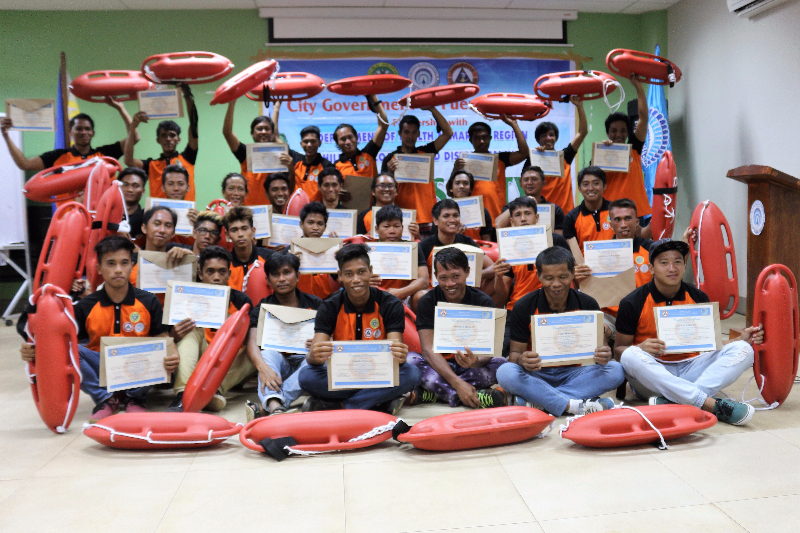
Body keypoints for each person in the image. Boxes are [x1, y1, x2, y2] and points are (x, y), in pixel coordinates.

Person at [18, 236, 179, 422]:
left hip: (137, 367)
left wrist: (172, 356)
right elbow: (57, 341)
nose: (118, 269)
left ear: (132, 266)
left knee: (160, 350)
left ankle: (134, 399)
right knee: (66, 349)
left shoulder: (148, 300)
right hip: (102, 368)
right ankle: (105, 399)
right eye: (111, 263)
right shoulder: (85, 306)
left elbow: (163, 337)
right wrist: (34, 350)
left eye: (124, 263)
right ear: (99, 269)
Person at [615, 239, 763, 426]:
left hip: (691, 368)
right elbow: (618, 350)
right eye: (664, 262)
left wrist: (741, 339)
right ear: (651, 268)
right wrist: (641, 348)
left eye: (678, 261)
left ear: (685, 266)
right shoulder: (632, 302)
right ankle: (706, 402)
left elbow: (711, 345)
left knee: (744, 350)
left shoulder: (698, 298)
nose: (672, 268)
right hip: (652, 377)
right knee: (630, 354)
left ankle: (678, 400)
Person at [496, 246, 624, 416]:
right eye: (548, 278)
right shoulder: (524, 305)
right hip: (538, 372)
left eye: (563, 277)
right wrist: (522, 359)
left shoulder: (588, 304)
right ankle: (574, 406)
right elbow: (514, 355)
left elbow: (602, 350)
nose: (556, 284)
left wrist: (604, 354)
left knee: (615, 370)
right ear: (538, 276)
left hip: (576, 374)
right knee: (505, 372)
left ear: (572, 274)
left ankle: (541, 401)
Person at [298, 244, 421, 413]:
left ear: (370, 271)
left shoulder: (390, 304)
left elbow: (394, 359)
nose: (356, 279)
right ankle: (377, 400)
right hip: (344, 372)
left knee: (412, 374)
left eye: (361, 272)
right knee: (306, 376)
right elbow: (315, 359)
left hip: (378, 371)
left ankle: (343, 406)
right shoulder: (329, 306)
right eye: (349, 274)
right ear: (340, 276)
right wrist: (313, 355)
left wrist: (399, 356)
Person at [409, 247, 506, 408]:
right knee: (410, 361)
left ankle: (435, 393)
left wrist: (475, 361)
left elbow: (488, 353)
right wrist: (458, 384)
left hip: (469, 368)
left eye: (456, 276)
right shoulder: (427, 301)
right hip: (439, 366)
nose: (450, 284)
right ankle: (461, 395)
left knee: (502, 364)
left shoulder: (484, 302)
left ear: (467, 272)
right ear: (435, 277)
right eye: (443, 278)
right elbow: (427, 350)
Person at [167, 246, 255, 412]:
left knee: (256, 343)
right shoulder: (185, 297)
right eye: (210, 271)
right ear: (200, 274)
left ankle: (213, 391)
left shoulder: (242, 301)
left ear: (229, 274)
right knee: (190, 328)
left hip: (224, 365)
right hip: (195, 361)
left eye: (222, 272)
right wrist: (173, 335)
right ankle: (183, 395)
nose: (216, 277)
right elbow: (169, 339)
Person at [245, 251, 323, 420]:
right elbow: (251, 343)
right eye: (275, 274)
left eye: (287, 272)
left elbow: (329, 339)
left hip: (307, 365)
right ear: (267, 280)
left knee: (316, 358)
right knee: (266, 354)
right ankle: (275, 405)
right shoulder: (263, 308)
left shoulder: (316, 304)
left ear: (297, 276)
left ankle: (274, 405)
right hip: (279, 369)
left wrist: (318, 344)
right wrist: (263, 369)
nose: (281, 279)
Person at [1, 103, 136, 172]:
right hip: (68, 220)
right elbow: (25, 164)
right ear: (70, 133)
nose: (83, 132)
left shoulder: (106, 154)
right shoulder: (57, 156)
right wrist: (6, 135)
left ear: (93, 133)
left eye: (87, 129)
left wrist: (120, 108)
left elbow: (134, 137)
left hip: (100, 220)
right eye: (78, 128)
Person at [492, 196, 570, 312]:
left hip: (552, 308)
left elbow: (571, 276)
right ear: (512, 221)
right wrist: (498, 277)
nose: (523, 219)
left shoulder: (555, 240)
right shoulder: (508, 246)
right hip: (517, 308)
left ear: (537, 217)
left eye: (528, 213)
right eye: (518, 215)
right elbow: (502, 296)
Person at [381, 111, 453, 234]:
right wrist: (389, 173)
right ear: (400, 134)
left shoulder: (426, 153)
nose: (410, 136)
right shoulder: (390, 159)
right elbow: (383, 193)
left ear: (419, 134)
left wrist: (432, 108)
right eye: (406, 132)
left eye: (414, 132)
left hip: (428, 217)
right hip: (402, 219)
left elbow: (448, 133)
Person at [124, 84, 198, 200]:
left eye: (172, 135)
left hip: (185, 214)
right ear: (158, 140)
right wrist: (133, 127)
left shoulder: (188, 158)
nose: (168, 139)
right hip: (159, 215)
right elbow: (128, 160)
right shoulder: (152, 165)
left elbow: (194, 124)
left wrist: (187, 96)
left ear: (178, 140)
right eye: (164, 135)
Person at [453, 116, 529, 222]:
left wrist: (514, 125)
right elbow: (452, 191)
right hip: (472, 218)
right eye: (477, 138)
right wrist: (455, 170)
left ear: (490, 138)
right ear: (471, 140)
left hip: (498, 217)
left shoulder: (500, 159)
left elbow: (524, 153)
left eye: (485, 137)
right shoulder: (464, 163)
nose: (482, 141)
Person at [601, 75, 653, 225]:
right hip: (610, 215)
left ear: (628, 132)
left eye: (623, 130)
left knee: (639, 249)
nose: (618, 134)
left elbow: (643, 117)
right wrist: (605, 151)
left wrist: (638, 86)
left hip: (637, 213)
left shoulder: (634, 148)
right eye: (614, 130)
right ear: (607, 133)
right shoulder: (600, 154)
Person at [222, 99, 290, 205]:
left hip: (274, 211)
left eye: (267, 129)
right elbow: (227, 133)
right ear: (252, 134)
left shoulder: (280, 153)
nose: (263, 132)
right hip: (248, 210)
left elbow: (276, 135)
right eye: (259, 129)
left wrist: (276, 109)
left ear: (272, 133)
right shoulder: (246, 153)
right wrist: (232, 103)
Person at [419, 199, 494, 286]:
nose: (452, 220)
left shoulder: (467, 241)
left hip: (464, 293)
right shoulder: (424, 246)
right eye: (446, 216)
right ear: (435, 221)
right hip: (435, 295)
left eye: (455, 215)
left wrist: (468, 276)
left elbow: (492, 267)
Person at [532, 96, 588, 212]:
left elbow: (582, 133)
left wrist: (580, 106)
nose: (548, 138)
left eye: (551, 135)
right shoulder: (533, 159)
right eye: (543, 136)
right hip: (542, 212)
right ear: (538, 140)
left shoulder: (565, 156)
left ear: (556, 138)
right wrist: (537, 156)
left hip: (565, 213)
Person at [369, 205, 429, 311]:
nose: (392, 231)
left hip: (405, 295)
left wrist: (400, 292)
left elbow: (423, 280)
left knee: (422, 296)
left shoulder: (413, 248)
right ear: (376, 229)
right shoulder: (368, 249)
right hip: (375, 295)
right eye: (386, 227)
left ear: (402, 227)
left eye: (396, 226)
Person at [495, 165, 565, 234]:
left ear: (543, 183)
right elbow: (498, 225)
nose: (529, 183)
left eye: (534, 179)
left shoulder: (555, 210)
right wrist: (525, 200)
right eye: (526, 180)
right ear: (520, 183)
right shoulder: (511, 207)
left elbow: (558, 239)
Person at [333, 96, 389, 179]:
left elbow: (383, 125)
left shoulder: (369, 153)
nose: (347, 142)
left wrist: (373, 99)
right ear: (337, 143)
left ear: (356, 137)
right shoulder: (335, 167)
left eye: (350, 137)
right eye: (343, 139)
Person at [222, 206, 274, 292]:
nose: (240, 234)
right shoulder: (224, 263)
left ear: (253, 231)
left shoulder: (269, 258)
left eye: (244, 228)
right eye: (234, 230)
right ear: (227, 235)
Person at [296, 202, 340, 300]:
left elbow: (342, 280)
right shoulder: (290, 252)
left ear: (325, 227)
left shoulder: (331, 251)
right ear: (301, 224)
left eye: (320, 224)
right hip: (298, 305)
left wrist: (341, 259)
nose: (315, 228)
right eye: (310, 222)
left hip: (325, 303)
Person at [563, 166, 614, 248]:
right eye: (585, 184)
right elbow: (573, 252)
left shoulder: (617, 211)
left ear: (604, 186)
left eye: (596, 183)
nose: (590, 188)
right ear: (579, 189)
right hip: (584, 260)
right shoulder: (571, 217)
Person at [356, 173, 420, 239]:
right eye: (382, 186)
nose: (386, 189)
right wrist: (370, 235)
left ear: (397, 191)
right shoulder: (364, 215)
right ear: (373, 192)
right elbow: (357, 242)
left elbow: (417, 244)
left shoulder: (408, 215)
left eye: (390, 186)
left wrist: (416, 235)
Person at [446, 169, 494, 242]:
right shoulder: (442, 210)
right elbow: (437, 241)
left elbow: (486, 241)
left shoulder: (482, 211)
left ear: (471, 189)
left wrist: (481, 253)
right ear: (451, 189)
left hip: (476, 251)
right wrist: (453, 236)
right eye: (457, 183)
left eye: (465, 183)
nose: (461, 186)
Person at [290, 124, 334, 202]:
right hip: (296, 210)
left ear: (319, 143)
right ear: (301, 144)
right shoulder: (296, 160)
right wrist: (276, 111)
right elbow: (277, 140)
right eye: (306, 141)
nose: (309, 145)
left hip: (317, 211)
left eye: (313, 141)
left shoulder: (327, 165)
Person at [118, 167, 147, 240]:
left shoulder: (146, 217)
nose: (130, 190)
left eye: (135, 186)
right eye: (126, 185)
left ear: (143, 191)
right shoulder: (108, 213)